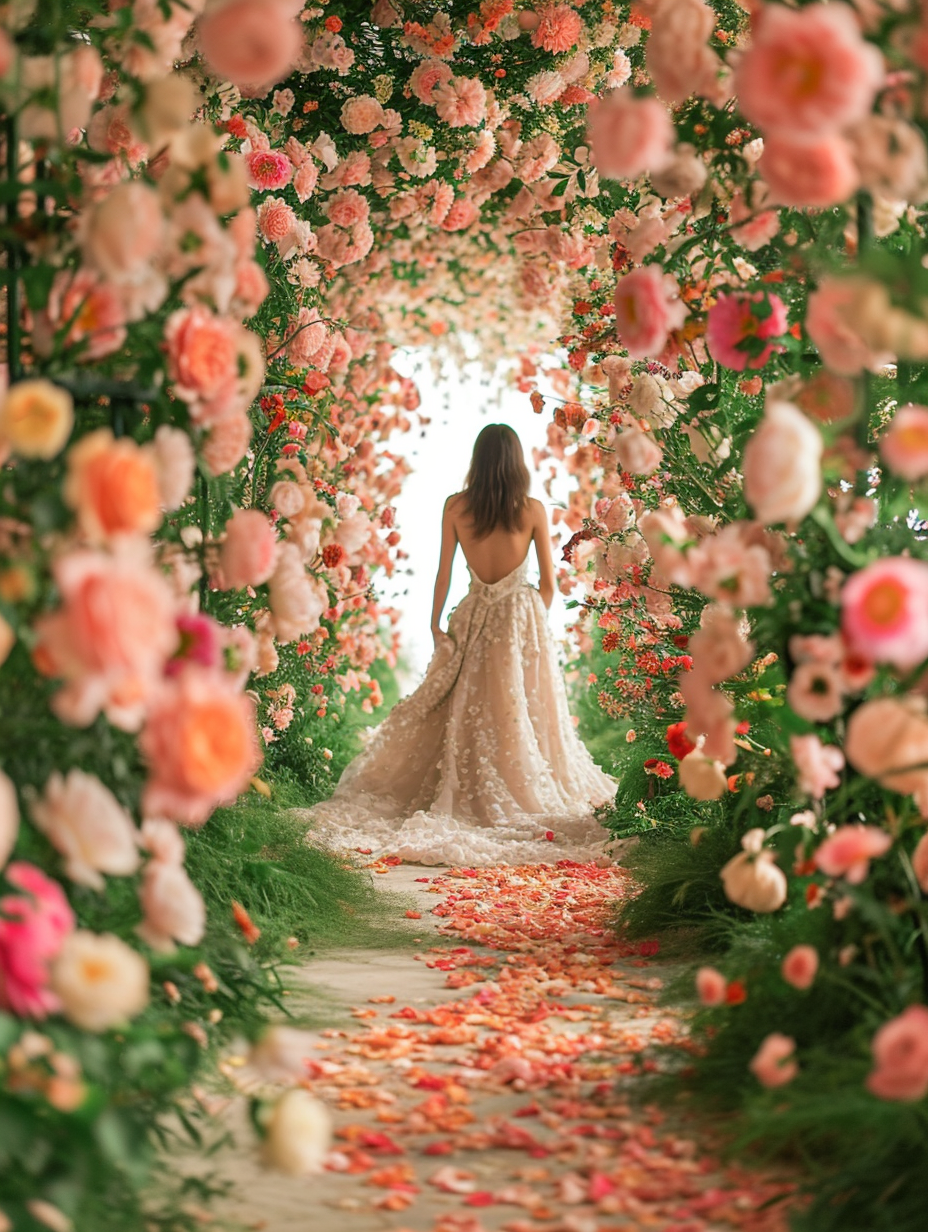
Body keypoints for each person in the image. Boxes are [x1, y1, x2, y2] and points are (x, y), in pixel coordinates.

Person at [303, 424, 617, 866]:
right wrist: (528, 621)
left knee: (467, 701)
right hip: (517, 619)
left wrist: (436, 624)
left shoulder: (456, 506)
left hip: (471, 615)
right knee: (519, 707)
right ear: (516, 463)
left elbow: (444, 573)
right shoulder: (531, 510)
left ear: (478, 460)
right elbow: (548, 583)